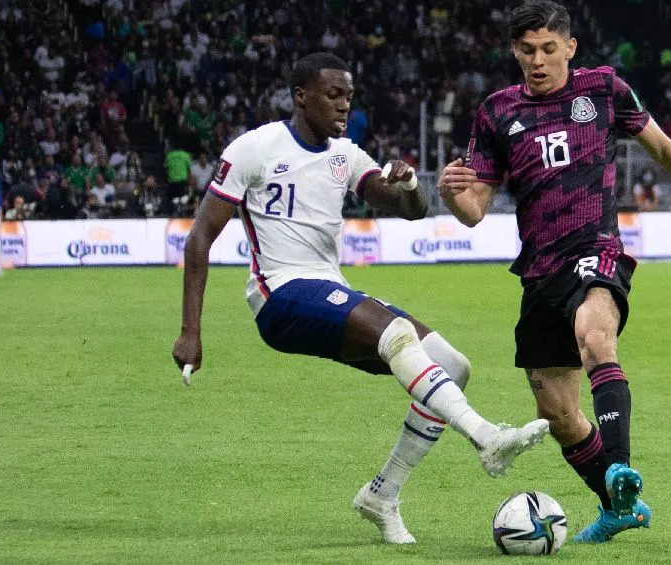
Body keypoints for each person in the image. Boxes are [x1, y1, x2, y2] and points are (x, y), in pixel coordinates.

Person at [171, 53, 548, 544]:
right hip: (279, 294)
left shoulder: (344, 155)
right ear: (300, 96)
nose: (344, 105)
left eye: (348, 95)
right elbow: (200, 236)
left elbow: (407, 209)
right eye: (333, 94)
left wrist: (410, 185)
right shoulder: (254, 149)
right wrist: (190, 330)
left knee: (451, 365)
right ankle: (486, 438)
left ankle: (382, 495)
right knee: (397, 334)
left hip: (328, 288)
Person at [436, 0, 671, 543]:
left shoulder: (603, 89)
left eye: (549, 49)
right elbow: (474, 211)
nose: (538, 60)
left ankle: (619, 464)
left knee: (595, 336)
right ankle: (618, 505)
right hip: (539, 271)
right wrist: (451, 194)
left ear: (570, 46)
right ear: (514, 52)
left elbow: (660, 146)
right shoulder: (497, 112)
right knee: (557, 413)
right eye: (527, 51)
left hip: (596, 248)